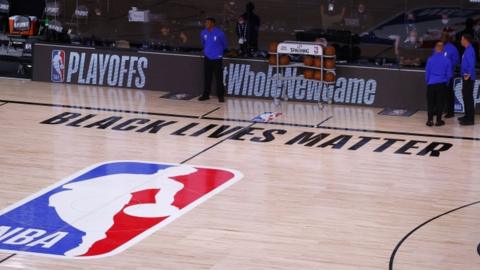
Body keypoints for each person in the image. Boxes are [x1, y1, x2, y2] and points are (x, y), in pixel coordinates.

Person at [199, 17, 228, 102]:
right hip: (207, 57)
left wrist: (218, 52)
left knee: (219, 78)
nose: (206, 24)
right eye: (206, 22)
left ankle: (220, 96)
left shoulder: (220, 33)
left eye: (208, 22)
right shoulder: (203, 33)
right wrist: (207, 51)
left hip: (217, 58)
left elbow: (224, 44)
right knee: (207, 77)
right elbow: (203, 43)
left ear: (213, 23)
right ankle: (206, 95)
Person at [425, 42, 452, 127]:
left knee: (430, 103)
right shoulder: (447, 60)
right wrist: (446, 82)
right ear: (443, 49)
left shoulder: (430, 59)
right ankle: (438, 121)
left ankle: (429, 121)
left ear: (435, 49)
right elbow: (449, 75)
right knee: (440, 103)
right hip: (441, 84)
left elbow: (427, 73)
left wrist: (428, 82)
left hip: (431, 84)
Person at [439, 32, 459, 118]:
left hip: (448, 75)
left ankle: (450, 112)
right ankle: (441, 110)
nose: (441, 39)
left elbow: (455, 62)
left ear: (447, 38)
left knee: (449, 94)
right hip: (439, 75)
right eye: (441, 37)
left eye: (443, 37)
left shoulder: (452, 48)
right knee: (440, 94)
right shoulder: (439, 46)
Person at [458, 34, 477, 125]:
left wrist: (468, 74)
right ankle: (467, 116)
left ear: (466, 40)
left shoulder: (470, 50)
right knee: (466, 97)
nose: (461, 41)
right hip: (466, 76)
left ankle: (470, 119)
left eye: (462, 39)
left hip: (468, 77)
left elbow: (471, 63)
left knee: (468, 97)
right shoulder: (467, 49)